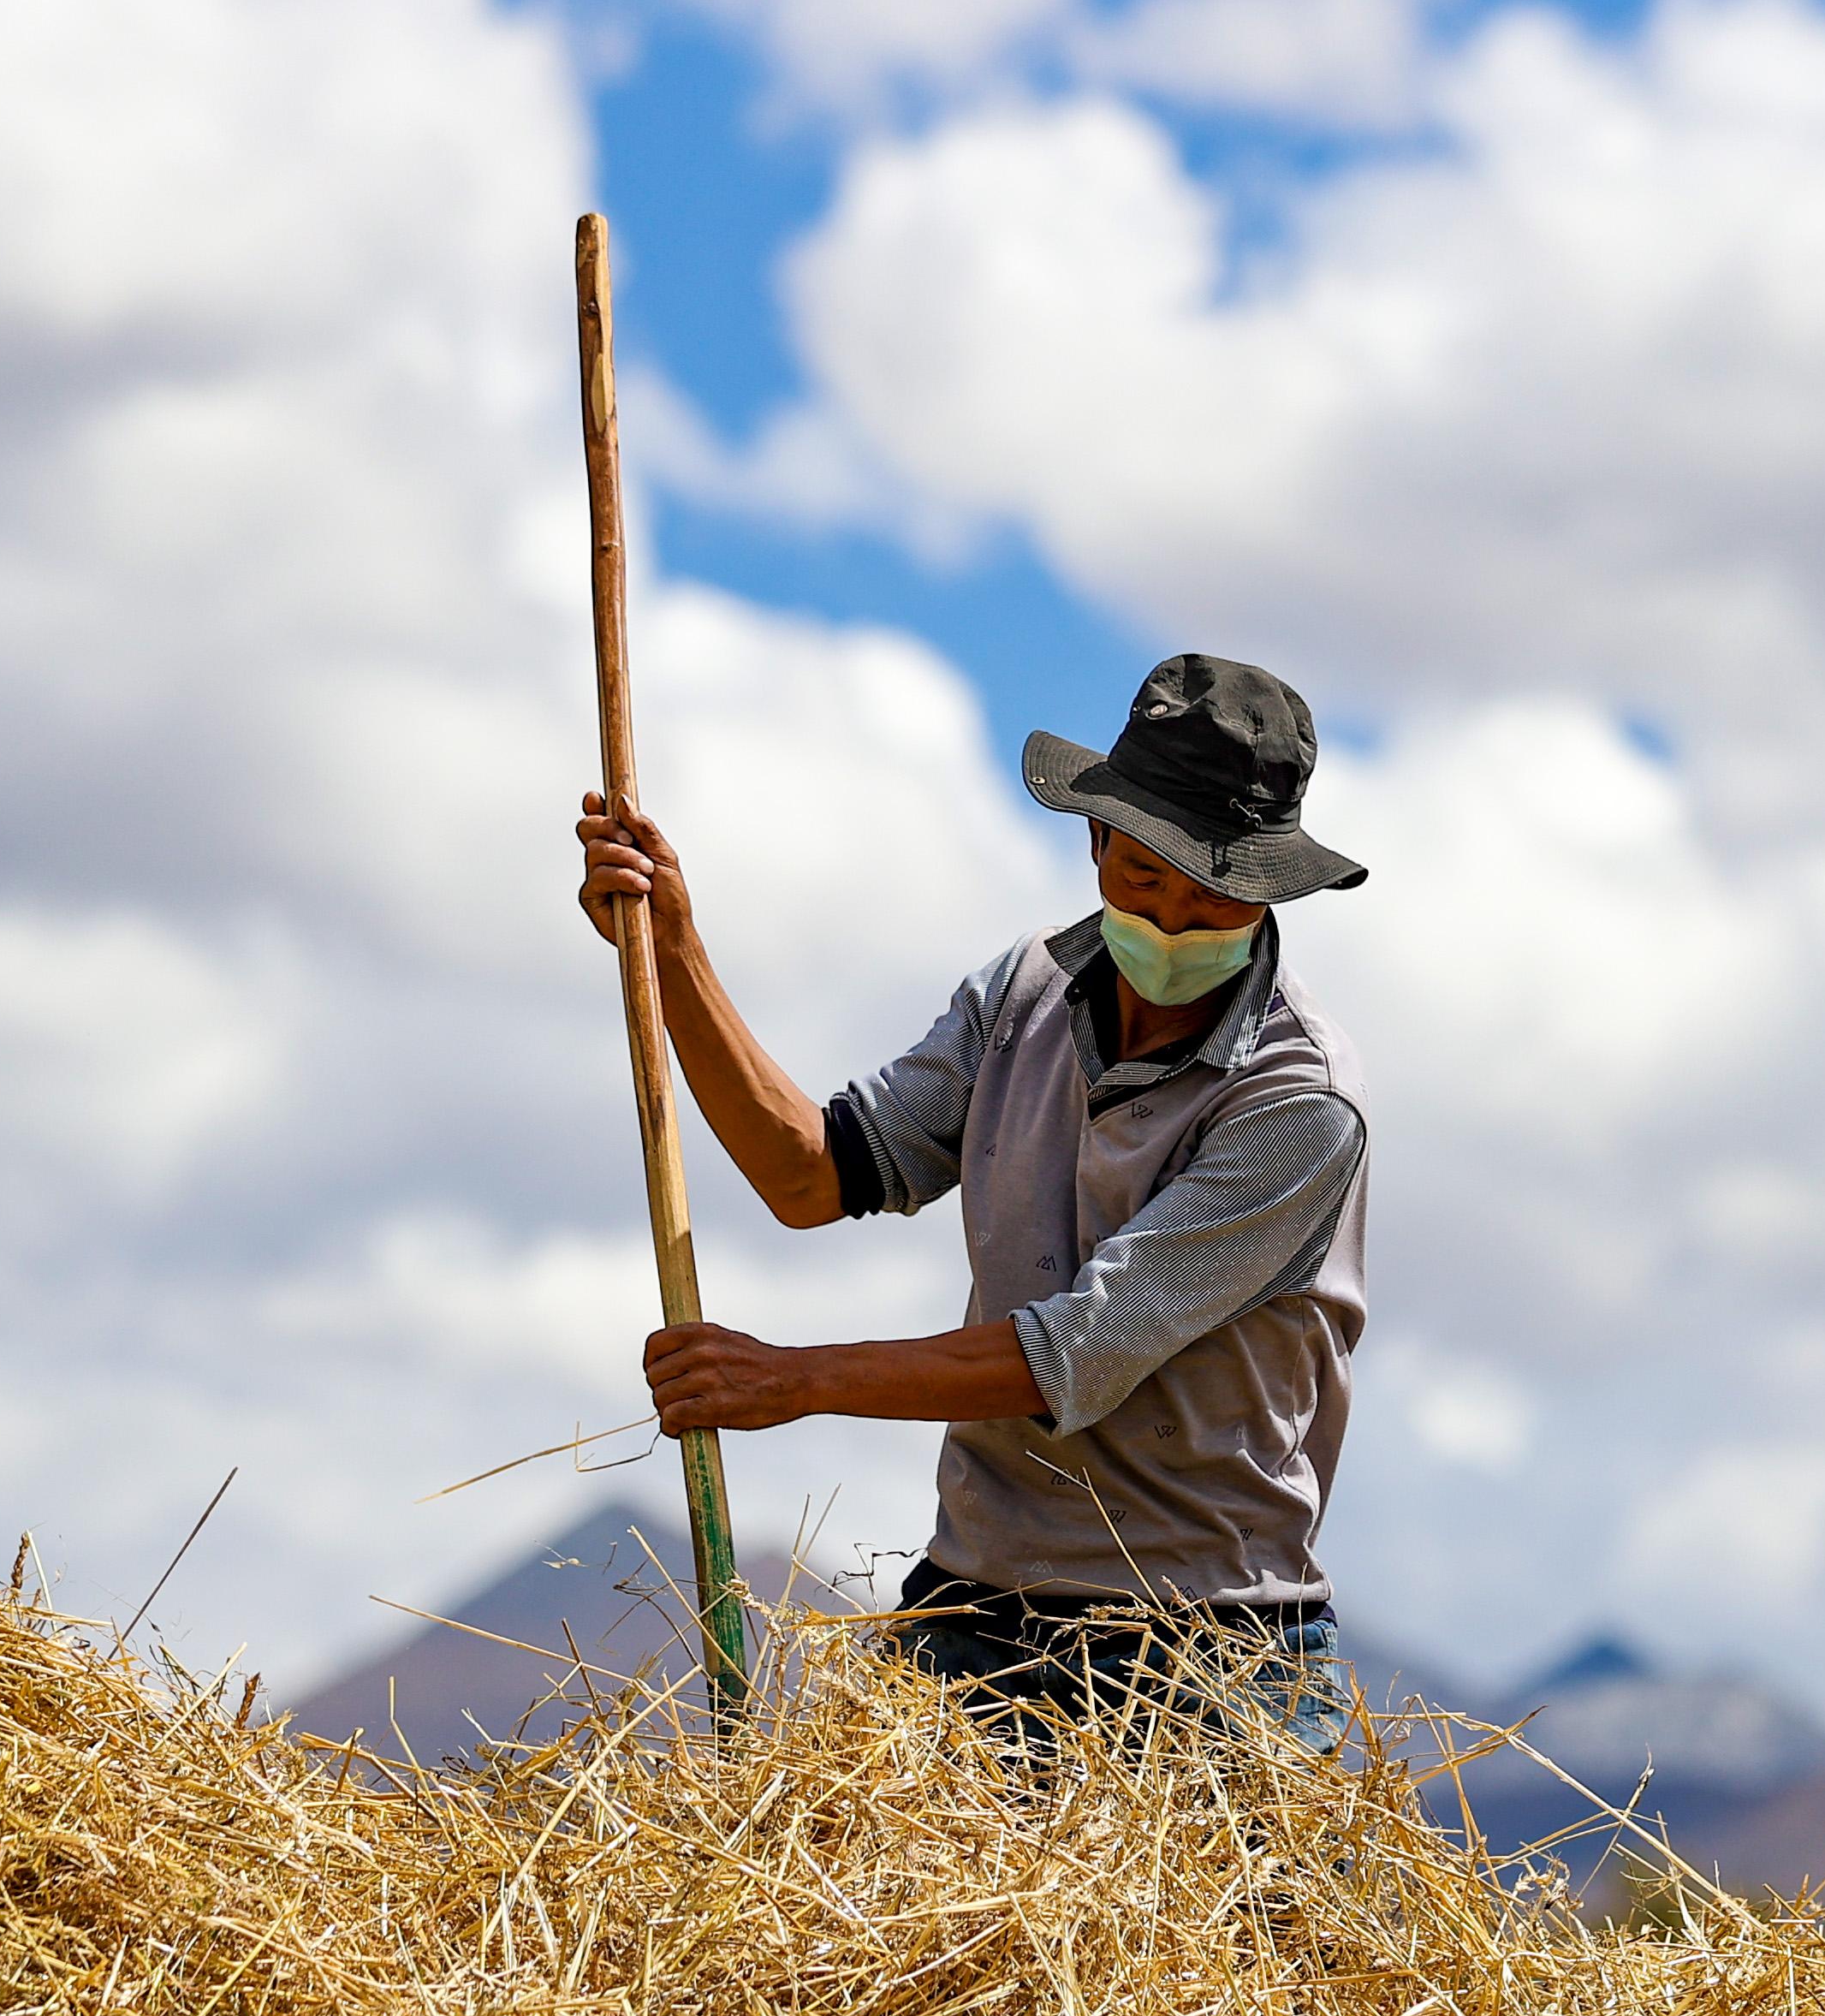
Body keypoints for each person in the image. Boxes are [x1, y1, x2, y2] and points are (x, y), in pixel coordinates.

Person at [571, 651, 1371, 1750]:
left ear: (1269, 892)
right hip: (975, 1615)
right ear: (1096, 842)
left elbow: (1070, 1354)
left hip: (1206, 1657)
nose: (1172, 925)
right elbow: (814, 1173)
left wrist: (794, 1381)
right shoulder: (1021, 996)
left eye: (1211, 901)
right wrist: (672, 953)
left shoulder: (1300, 1102)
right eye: (1143, 881)